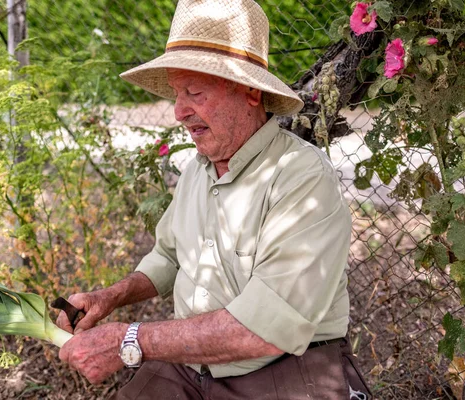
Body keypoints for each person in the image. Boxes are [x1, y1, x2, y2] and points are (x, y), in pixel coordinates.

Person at [57, 0, 371, 399]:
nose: (178, 112)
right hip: (194, 368)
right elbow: (168, 257)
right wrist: (110, 298)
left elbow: (264, 331)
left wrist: (128, 340)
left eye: (195, 92)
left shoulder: (301, 178)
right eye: (176, 94)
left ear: (251, 92)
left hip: (286, 370)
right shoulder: (198, 170)